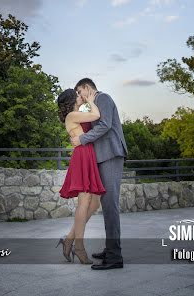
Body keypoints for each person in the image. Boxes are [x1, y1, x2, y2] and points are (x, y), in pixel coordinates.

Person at [71, 78, 128, 270]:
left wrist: (82, 140)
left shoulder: (103, 98)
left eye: (80, 92)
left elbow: (105, 125)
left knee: (110, 204)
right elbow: (81, 118)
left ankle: (114, 257)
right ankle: (110, 248)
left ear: (87, 88)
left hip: (111, 153)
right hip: (101, 157)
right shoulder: (90, 105)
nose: (79, 95)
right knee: (105, 203)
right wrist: (78, 106)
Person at [56, 88, 106, 264]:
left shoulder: (77, 113)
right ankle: (79, 247)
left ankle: (69, 238)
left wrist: (87, 103)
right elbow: (96, 115)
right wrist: (92, 101)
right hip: (82, 157)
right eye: (77, 95)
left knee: (95, 202)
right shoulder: (71, 116)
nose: (80, 96)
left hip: (88, 155)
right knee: (84, 202)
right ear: (71, 100)